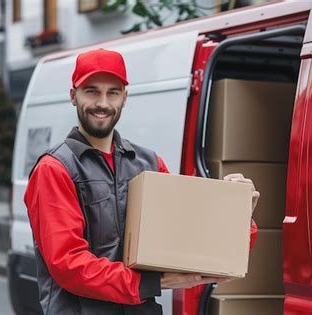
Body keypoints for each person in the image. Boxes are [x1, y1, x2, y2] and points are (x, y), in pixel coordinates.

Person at [24, 48, 260, 314]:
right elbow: (68, 265)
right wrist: (148, 283)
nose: (102, 103)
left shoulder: (149, 163)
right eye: (91, 91)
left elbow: (186, 241)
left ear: (124, 98)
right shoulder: (55, 169)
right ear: (73, 96)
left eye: (112, 92)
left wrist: (237, 215)